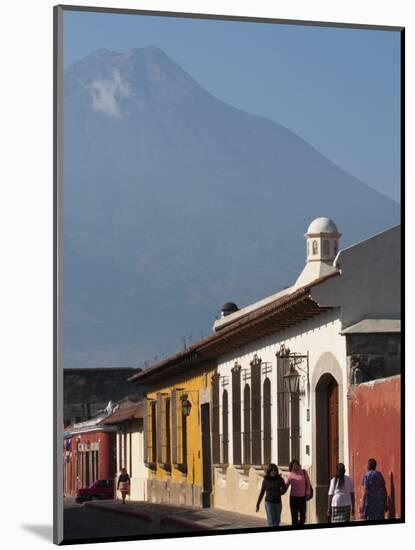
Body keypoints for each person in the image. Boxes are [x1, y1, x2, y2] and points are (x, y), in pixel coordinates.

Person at [286, 459, 311, 525]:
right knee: (294, 518)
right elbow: (286, 485)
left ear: (299, 465)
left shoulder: (304, 472)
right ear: (291, 466)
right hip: (293, 498)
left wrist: (308, 493)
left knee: (303, 517)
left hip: (302, 498)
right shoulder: (290, 475)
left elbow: (308, 483)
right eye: (293, 465)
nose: (295, 467)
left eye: (296, 465)